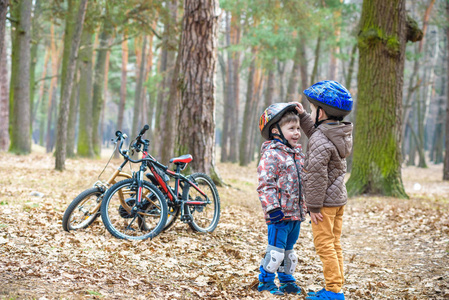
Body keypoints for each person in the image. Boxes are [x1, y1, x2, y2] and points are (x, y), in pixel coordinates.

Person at [295, 80, 353, 300]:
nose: (310, 111)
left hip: (324, 205)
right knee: (334, 243)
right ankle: (337, 285)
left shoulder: (321, 137)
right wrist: (303, 117)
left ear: (322, 112)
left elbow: (317, 176)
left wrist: (313, 206)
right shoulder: (338, 132)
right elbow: (318, 134)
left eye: (312, 109)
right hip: (338, 200)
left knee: (324, 245)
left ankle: (333, 291)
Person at [256, 103, 307, 296]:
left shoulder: (297, 155)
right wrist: (272, 209)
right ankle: (266, 282)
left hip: (295, 214)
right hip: (279, 215)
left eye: (298, 129)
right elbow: (265, 185)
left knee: (289, 253)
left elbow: (303, 183)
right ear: (276, 130)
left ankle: (286, 281)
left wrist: (307, 206)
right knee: (276, 252)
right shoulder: (271, 155)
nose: (297, 133)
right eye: (291, 129)